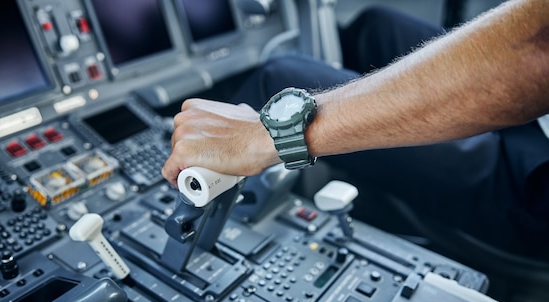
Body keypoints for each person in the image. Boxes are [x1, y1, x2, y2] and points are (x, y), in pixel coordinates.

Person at [162, 0, 549, 259]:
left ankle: (174, 183)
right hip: (539, 124)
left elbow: (537, 51)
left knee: (276, 80)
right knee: (375, 26)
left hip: (535, 180)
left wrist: (267, 136)